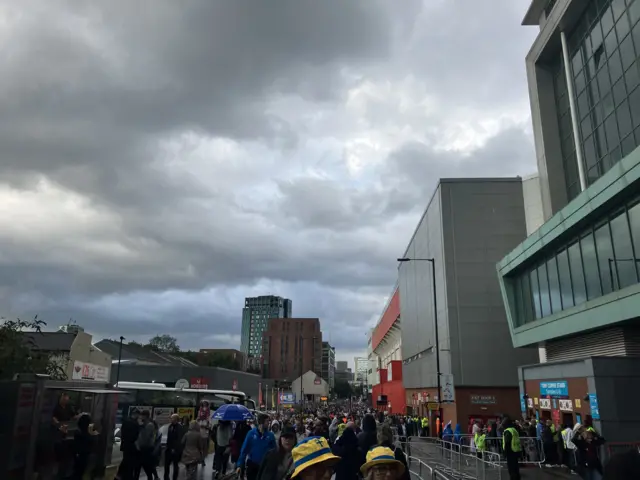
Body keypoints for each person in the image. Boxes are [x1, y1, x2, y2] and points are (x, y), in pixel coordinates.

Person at [236, 414, 277, 480]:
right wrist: (240, 465)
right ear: (261, 422)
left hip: (265, 467)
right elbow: (244, 450)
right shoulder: (251, 434)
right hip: (252, 465)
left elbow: (275, 451)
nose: (269, 423)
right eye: (267, 421)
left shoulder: (270, 435)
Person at [71, 413, 99, 480]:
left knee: (78, 472)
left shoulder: (79, 432)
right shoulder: (83, 433)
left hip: (81, 455)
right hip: (83, 455)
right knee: (80, 472)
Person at [135, 410, 158, 480]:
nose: (140, 417)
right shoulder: (144, 425)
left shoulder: (149, 425)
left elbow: (145, 438)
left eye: (142, 416)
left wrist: (138, 445)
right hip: (143, 448)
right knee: (141, 467)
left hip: (146, 449)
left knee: (147, 467)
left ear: (145, 416)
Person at [164, 414, 183, 480]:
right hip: (168, 448)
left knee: (175, 465)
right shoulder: (170, 426)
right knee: (166, 464)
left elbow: (179, 439)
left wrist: (175, 448)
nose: (171, 419)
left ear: (176, 419)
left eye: (172, 418)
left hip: (175, 449)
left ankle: (174, 478)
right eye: (171, 418)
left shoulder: (179, 427)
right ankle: (166, 477)